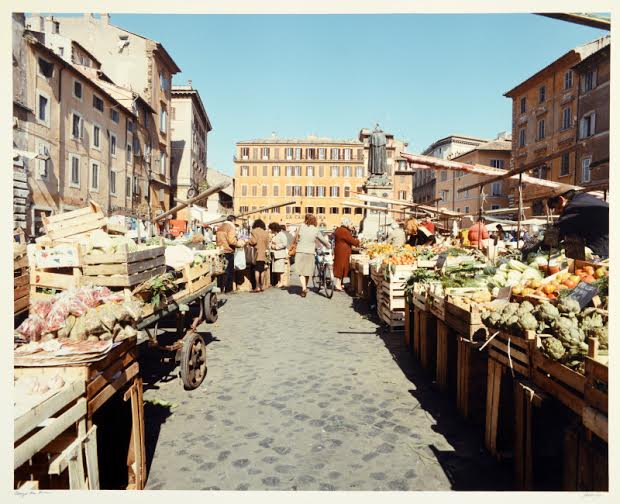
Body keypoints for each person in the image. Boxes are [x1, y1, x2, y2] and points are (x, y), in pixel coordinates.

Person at [547, 190, 609, 258]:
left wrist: (539, 248)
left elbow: (553, 235)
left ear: (561, 200)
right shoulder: (584, 198)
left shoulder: (572, 207)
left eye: (555, 208)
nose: (556, 212)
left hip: (603, 252)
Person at [294, 213, 330, 298]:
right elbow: (322, 240)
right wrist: (328, 245)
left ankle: (303, 288)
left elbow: (296, 238)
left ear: (305, 219)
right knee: (307, 271)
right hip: (310, 252)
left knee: (301, 271)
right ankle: (304, 288)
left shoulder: (301, 226)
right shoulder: (315, 229)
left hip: (300, 251)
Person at [215, 216, 245, 293]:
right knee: (229, 270)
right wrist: (239, 244)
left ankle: (220, 288)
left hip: (220, 250)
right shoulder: (231, 227)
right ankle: (229, 289)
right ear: (233, 220)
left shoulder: (221, 227)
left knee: (220, 271)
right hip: (228, 250)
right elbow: (231, 241)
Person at [333, 217, 361, 292]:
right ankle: (337, 285)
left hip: (340, 251)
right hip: (343, 252)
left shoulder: (339, 230)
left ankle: (340, 284)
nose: (351, 225)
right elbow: (352, 241)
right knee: (341, 267)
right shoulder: (344, 231)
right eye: (350, 223)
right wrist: (359, 241)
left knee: (341, 266)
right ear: (347, 223)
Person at [248, 219, 271, 293]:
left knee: (257, 270)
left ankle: (257, 286)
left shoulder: (254, 231)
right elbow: (268, 245)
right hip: (264, 254)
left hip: (256, 253)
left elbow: (253, 241)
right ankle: (262, 286)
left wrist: (248, 242)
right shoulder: (266, 233)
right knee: (262, 270)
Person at [269, 223, 289, 288]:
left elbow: (284, 244)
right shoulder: (275, 235)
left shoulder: (282, 235)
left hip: (280, 254)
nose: (270, 230)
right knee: (277, 270)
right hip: (275, 254)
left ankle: (282, 282)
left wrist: (276, 247)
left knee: (280, 270)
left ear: (274, 229)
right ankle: (279, 281)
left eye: (271, 229)